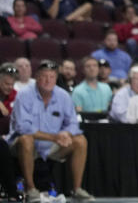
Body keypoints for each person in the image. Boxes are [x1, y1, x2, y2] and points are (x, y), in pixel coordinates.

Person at [8, 60, 94, 200]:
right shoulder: (24, 95)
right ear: (37, 77)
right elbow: (22, 127)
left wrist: (66, 133)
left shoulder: (63, 95)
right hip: (23, 145)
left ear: (56, 78)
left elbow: (73, 123)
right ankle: (31, 188)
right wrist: (54, 137)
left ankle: (77, 189)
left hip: (52, 147)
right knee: (26, 139)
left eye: (52, 76)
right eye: (44, 76)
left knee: (80, 140)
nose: (48, 80)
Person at [0, 64, 19, 199]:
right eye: (6, 83)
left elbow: (10, 115)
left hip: (6, 135)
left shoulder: (15, 95)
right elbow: (3, 112)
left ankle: (13, 193)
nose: (10, 87)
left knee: (3, 146)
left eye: (12, 84)